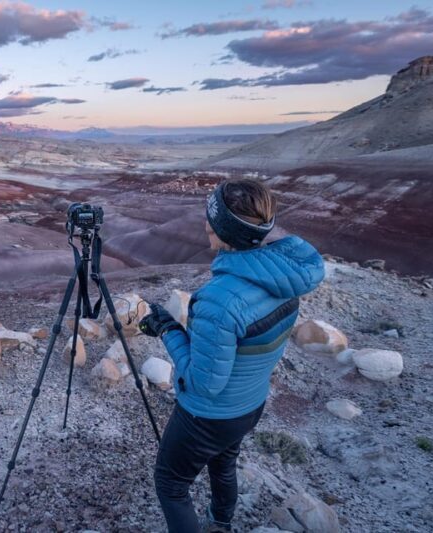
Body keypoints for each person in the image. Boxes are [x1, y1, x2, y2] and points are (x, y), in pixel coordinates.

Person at [139, 179, 325, 532]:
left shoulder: (221, 300)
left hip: (207, 417)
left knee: (171, 485)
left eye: (211, 217)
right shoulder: (284, 280)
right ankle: (220, 523)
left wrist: (167, 329)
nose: (205, 224)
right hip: (249, 405)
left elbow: (203, 384)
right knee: (224, 465)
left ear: (223, 228)